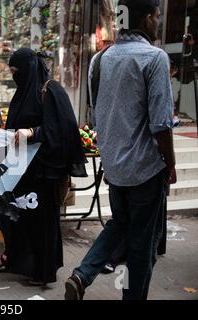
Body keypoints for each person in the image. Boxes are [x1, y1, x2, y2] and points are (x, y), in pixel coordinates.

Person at [65, 0, 176, 300]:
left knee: (120, 224)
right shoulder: (155, 59)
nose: (158, 22)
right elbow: (161, 124)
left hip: (114, 169)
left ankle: (82, 274)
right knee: (142, 247)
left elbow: (96, 116)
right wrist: (172, 165)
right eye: (156, 16)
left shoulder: (99, 61)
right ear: (144, 20)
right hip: (145, 170)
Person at [0, 48, 87, 286]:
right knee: (9, 212)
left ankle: (43, 271)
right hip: (22, 169)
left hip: (45, 170)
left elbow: (65, 130)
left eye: (16, 71)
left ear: (30, 69)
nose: (14, 76)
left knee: (41, 222)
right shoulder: (22, 94)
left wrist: (33, 132)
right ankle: (16, 258)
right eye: (11, 72)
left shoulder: (52, 90)